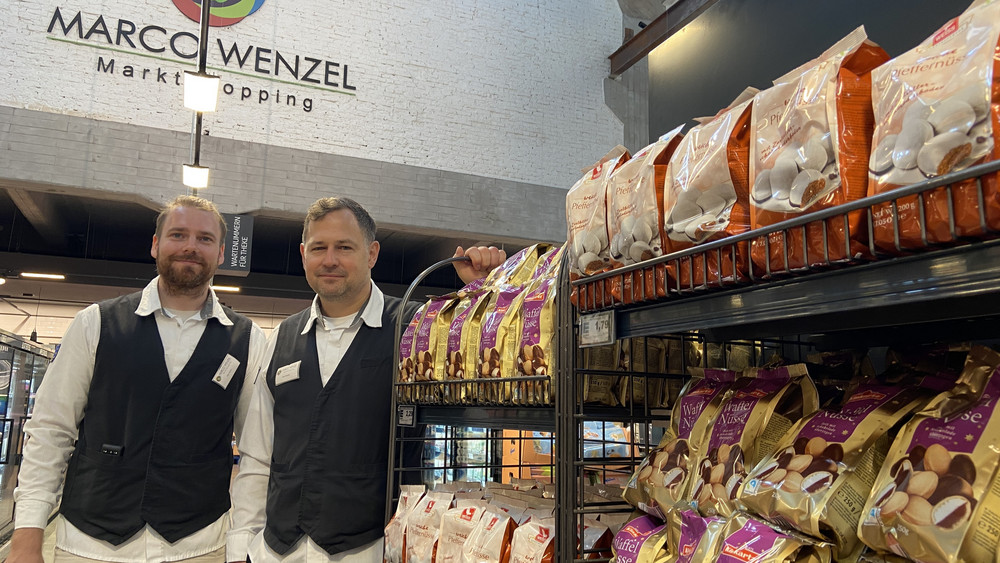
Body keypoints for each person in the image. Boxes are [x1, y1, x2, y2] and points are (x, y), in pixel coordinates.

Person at [229, 197, 505, 562]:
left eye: (344, 247)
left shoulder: (415, 327)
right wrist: (242, 547)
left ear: (372, 253)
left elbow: (485, 381)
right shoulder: (282, 337)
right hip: (277, 551)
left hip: (372, 550)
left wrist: (487, 295)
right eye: (319, 248)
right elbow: (258, 456)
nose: (330, 259)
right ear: (303, 254)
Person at [9, 196, 268, 563]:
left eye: (205, 239)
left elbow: (257, 454)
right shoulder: (96, 323)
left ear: (221, 252)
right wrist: (27, 537)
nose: (191, 247)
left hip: (200, 545)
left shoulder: (247, 339)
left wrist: (242, 545)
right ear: (155, 244)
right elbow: (51, 431)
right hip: (90, 545)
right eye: (178, 234)